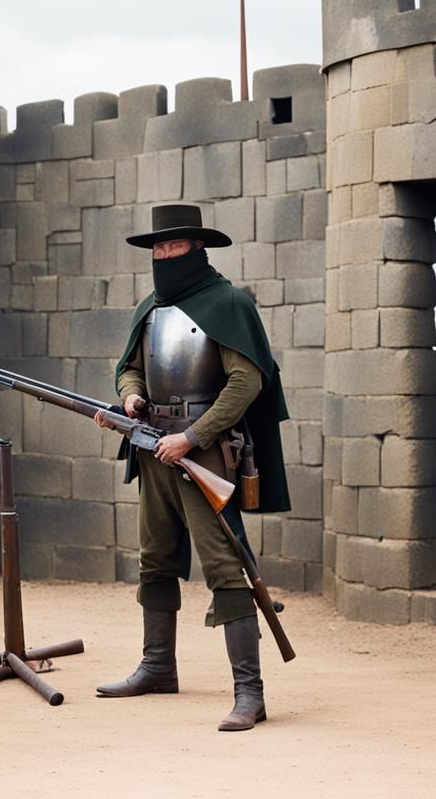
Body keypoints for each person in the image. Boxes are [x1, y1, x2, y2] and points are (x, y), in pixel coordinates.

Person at [93, 203, 291, 732]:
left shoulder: (229, 304)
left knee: (226, 566)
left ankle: (250, 693)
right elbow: (130, 369)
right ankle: (157, 667)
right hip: (153, 448)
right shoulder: (150, 309)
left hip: (204, 452)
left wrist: (192, 437)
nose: (162, 254)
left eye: (172, 245)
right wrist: (131, 398)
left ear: (196, 247)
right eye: (157, 247)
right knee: (154, 560)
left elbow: (246, 383)